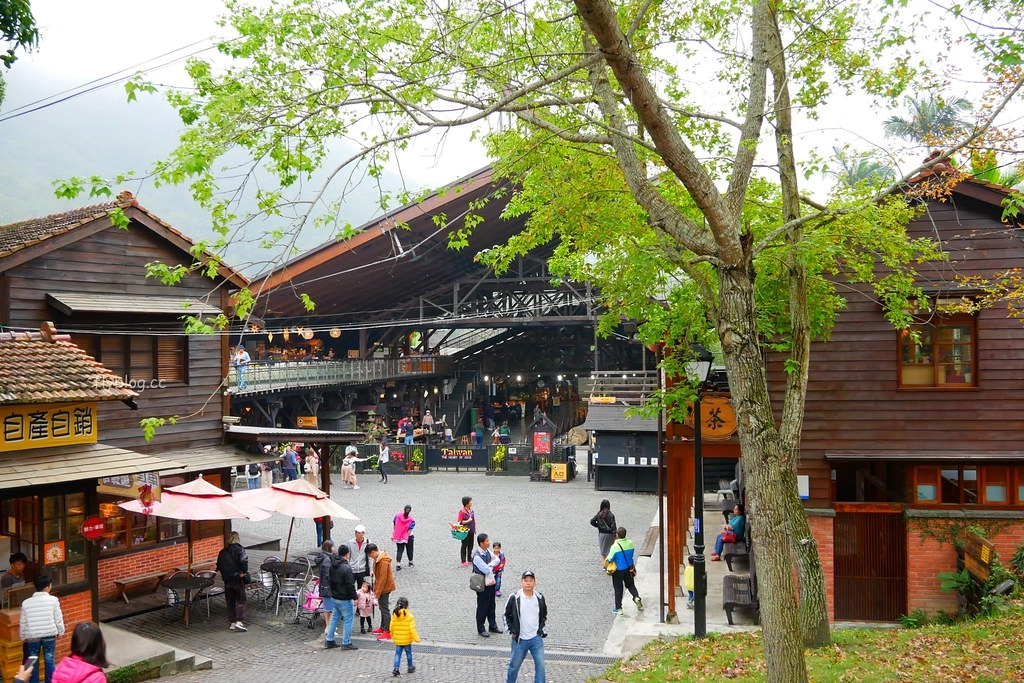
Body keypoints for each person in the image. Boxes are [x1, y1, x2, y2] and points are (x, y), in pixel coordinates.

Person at [503, 570, 548, 683]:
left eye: (531, 581)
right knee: (514, 666)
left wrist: (540, 628)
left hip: (535, 638)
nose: (528, 583)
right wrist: (511, 631)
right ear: (521, 582)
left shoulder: (539, 597)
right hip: (520, 639)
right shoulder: (515, 598)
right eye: (526, 581)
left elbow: (543, 614)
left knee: (541, 666)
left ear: (534, 582)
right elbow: (505, 615)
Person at [19, 575, 64, 683]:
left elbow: (23, 623)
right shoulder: (53, 600)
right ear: (48, 587)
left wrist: (23, 636)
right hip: (49, 635)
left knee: (32, 662)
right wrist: (61, 631)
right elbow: (58, 618)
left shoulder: (26, 603)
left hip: (32, 637)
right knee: (49, 660)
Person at [325, 544, 358, 651]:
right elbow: (350, 585)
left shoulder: (332, 564)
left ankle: (329, 640)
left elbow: (329, 579)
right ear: (347, 554)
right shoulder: (346, 568)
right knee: (348, 619)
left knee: (335, 618)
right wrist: (355, 597)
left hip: (335, 597)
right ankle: (346, 642)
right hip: (344, 599)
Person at [216, 531, 249, 632]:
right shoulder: (240, 550)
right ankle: (239, 621)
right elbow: (244, 563)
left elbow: (219, 565)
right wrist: (243, 572)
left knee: (230, 600)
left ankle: (232, 622)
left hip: (227, 580)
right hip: (238, 578)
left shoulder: (222, 552)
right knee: (240, 599)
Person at [472, 533, 502, 637]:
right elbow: (485, 570)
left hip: (490, 581)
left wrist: (489, 565)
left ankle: (492, 625)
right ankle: (481, 628)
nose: (489, 542)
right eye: (487, 541)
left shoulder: (487, 551)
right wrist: (490, 565)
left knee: (491, 604)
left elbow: (497, 560)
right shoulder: (476, 556)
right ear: (481, 543)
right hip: (482, 583)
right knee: (482, 606)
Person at [606, 527, 642, 615]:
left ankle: (618, 608)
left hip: (618, 570)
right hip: (629, 568)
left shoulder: (615, 547)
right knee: (630, 585)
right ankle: (636, 597)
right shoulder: (630, 543)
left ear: (617, 535)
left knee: (618, 589)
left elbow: (610, 559)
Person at [366, 544, 396, 640]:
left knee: (385, 609)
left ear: (373, 552)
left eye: (370, 555)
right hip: (381, 586)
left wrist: (377, 592)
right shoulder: (378, 558)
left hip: (385, 588)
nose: (371, 558)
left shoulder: (383, 561)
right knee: (382, 608)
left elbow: (383, 578)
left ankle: (387, 631)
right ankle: (383, 627)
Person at [389, 596, 419, 677]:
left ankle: (396, 668)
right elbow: (412, 629)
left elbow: (391, 627)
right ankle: (410, 666)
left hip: (398, 640)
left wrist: (392, 635)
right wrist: (416, 638)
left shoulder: (394, 615)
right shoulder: (409, 616)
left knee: (397, 654)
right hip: (407, 640)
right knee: (409, 653)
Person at [313, 540, 335, 638]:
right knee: (329, 608)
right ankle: (329, 627)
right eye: (333, 547)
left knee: (328, 607)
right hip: (327, 587)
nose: (334, 548)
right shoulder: (327, 560)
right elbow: (328, 574)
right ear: (329, 548)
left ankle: (329, 625)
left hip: (324, 586)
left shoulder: (324, 557)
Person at [348, 525, 372, 590]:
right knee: (350, 588)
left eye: (358, 533)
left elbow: (370, 557)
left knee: (361, 590)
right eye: (356, 532)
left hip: (362, 570)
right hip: (352, 569)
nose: (356, 534)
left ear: (363, 533)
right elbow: (348, 556)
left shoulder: (368, 542)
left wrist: (371, 569)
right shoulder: (350, 542)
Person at [392, 505, 415, 570]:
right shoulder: (411, 520)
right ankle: (410, 562)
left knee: (399, 550)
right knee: (410, 549)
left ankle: (398, 564)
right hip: (408, 537)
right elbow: (410, 530)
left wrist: (395, 532)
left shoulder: (397, 516)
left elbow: (394, 523)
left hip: (398, 536)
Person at [456, 496, 476, 567]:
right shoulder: (462, 512)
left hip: (471, 531)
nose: (471, 502)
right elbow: (459, 522)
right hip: (464, 531)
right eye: (470, 501)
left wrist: (474, 528)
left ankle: (469, 558)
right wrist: (467, 521)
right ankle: (463, 560)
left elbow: (473, 520)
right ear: (466, 503)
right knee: (464, 545)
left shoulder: (471, 510)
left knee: (471, 545)